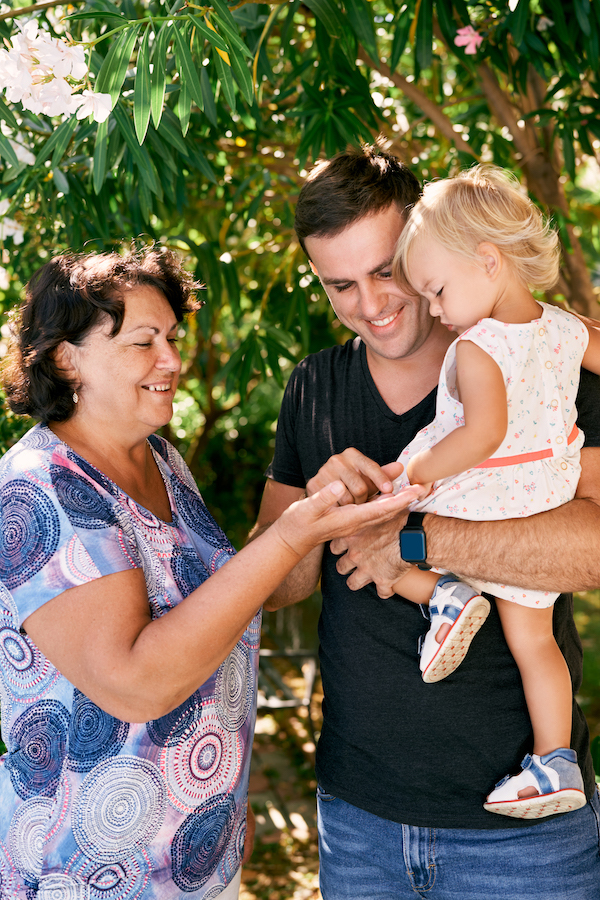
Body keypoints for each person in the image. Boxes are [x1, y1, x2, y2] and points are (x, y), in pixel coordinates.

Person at [0, 247, 412, 899]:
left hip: (196, 862)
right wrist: (292, 531)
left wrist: (319, 507)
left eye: (170, 337)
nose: (171, 360)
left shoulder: (162, 460)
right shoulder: (38, 491)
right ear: (64, 357)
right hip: (91, 876)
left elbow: (236, 600)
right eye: (143, 342)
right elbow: (136, 684)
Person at [253, 145, 600, 900]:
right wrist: (314, 513)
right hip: (360, 821)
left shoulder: (537, 359)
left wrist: (412, 538)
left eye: (386, 271)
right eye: (339, 284)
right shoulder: (314, 385)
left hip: (525, 840)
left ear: (426, 245)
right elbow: (274, 588)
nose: (370, 303)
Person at [383, 165, 600, 818]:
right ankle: (555, 760)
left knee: (380, 536)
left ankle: (444, 596)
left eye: (439, 291)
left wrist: (413, 476)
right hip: (544, 496)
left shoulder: (478, 347)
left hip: (483, 491)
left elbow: (481, 435)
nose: (438, 311)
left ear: (488, 261)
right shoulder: (564, 327)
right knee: (537, 643)